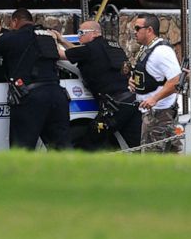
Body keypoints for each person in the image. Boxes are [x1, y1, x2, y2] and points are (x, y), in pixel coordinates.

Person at [0, 9, 70, 150]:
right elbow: (21, 37)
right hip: (57, 95)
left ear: (15, 21)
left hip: (31, 99)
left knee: (22, 149)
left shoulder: (14, 38)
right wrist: (0, 29)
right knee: (60, 148)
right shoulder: (46, 36)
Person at [52, 20, 141, 149]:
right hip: (131, 103)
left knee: (90, 141)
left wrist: (54, 39)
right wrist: (62, 40)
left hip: (114, 107)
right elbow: (78, 53)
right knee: (135, 145)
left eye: (81, 32)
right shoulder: (113, 46)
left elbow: (59, 54)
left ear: (94, 33)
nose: (79, 36)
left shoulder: (89, 50)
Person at [129, 14, 182, 153]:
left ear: (149, 30)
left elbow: (176, 81)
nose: (134, 31)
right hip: (154, 114)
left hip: (159, 114)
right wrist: (133, 81)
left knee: (151, 160)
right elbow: (148, 74)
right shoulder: (147, 48)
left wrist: (154, 99)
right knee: (171, 157)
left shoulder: (161, 51)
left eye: (137, 28)